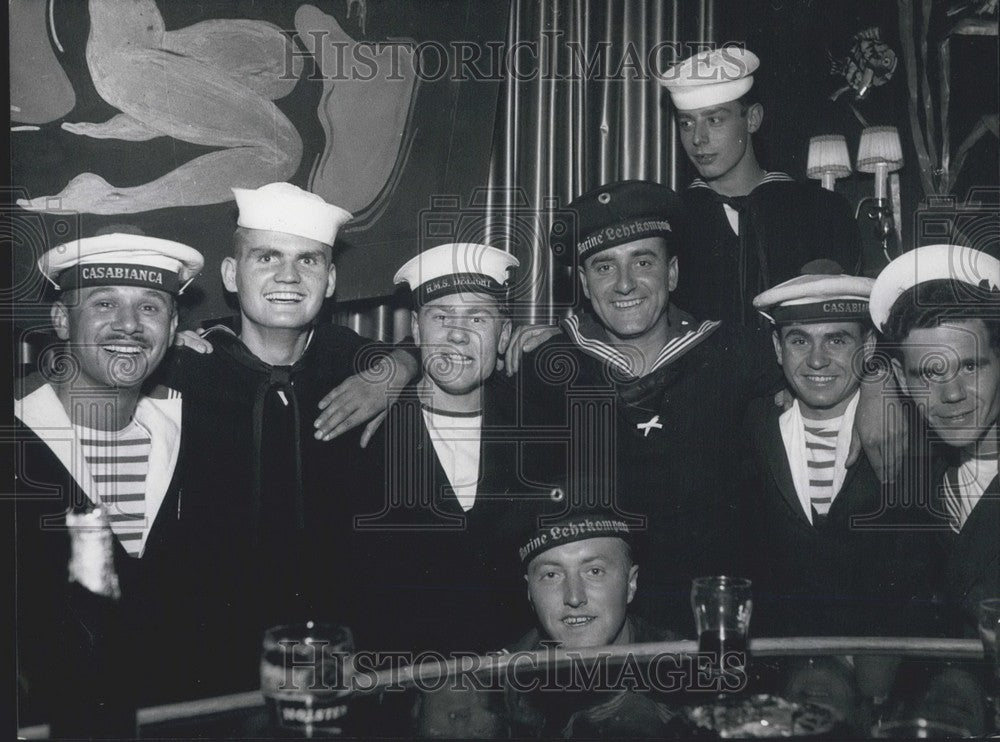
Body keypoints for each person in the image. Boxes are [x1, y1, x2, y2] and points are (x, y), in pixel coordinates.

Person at [160, 182, 419, 699]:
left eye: (309, 261)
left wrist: (397, 369)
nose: (288, 276)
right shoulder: (187, 369)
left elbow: (437, 345)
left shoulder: (357, 361)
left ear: (330, 280)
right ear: (232, 275)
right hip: (207, 659)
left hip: (343, 653)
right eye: (267, 257)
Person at [514, 179, 784, 632]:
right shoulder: (545, 370)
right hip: (600, 639)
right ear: (582, 282)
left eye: (643, 261)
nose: (624, 284)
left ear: (672, 272)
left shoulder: (736, 355)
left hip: (718, 631)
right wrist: (404, 360)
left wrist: (877, 380)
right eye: (604, 267)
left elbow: (824, 369)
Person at [13, 230, 204, 731]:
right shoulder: (15, 433)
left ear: (174, 325)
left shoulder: (197, 430)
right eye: (104, 303)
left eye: (150, 307)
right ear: (60, 319)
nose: (128, 325)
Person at [351, 242, 556, 655]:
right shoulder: (364, 428)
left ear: (504, 335)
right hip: (395, 685)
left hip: (516, 688)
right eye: (441, 316)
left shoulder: (540, 426)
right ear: (414, 329)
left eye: (477, 317)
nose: (458, 333)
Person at [746, 264, 901, 637]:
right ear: (777, 348)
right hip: (784, 662)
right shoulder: (750, 426)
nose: (817, 359)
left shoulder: (904, 424)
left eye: (836, 340)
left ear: (868, 346)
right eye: (799, 340)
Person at [658, 47, 862, 326]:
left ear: (752, 119)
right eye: (686, 123)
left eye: (714, 120)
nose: (698, 138)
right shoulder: (670, 220)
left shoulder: (822, 210)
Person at [872, 243, 1000, 637]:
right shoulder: (910, 476)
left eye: (970, 365)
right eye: (929, 373)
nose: (952, 394)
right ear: (900, 378)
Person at [502, 508, 681, 737]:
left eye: (594, 571)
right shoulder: (502, 685)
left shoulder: (688, 672)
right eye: (551, 575)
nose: (574, 597)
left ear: (631, 584)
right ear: (530, 592)